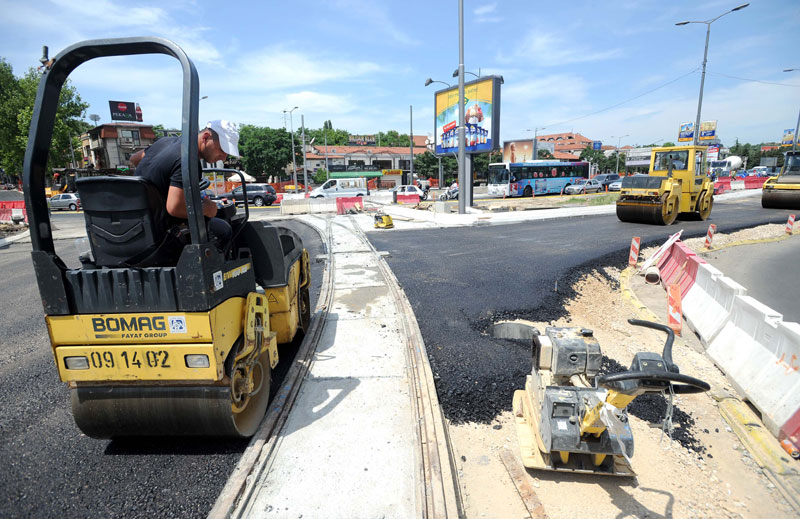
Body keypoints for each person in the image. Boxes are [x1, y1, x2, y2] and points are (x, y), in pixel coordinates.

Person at [134, 120, 239, 252]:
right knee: (224, 230)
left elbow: (135, 158)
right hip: (161, 234)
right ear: (206, 137)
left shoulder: (164, 142)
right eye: (222, 150)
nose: (223, 158)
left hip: (138, 227)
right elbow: (175, 208)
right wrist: (207, 209)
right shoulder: (188, 161)